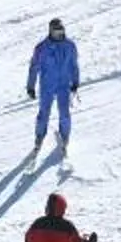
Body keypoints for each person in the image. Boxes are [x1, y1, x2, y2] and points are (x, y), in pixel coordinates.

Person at [26, 18, 81, 155]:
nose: (60, 34)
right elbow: (34, 67)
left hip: (63, 84)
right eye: (56, 32)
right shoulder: (41, 48)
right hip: (47, 85)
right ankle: (39, 136)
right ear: (50, 31)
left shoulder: (70, 46)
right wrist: (30, 86)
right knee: (44, 113)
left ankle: (65, 136)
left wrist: (75, 82)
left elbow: (74, 65)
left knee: (64, 113)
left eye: (61, 31)